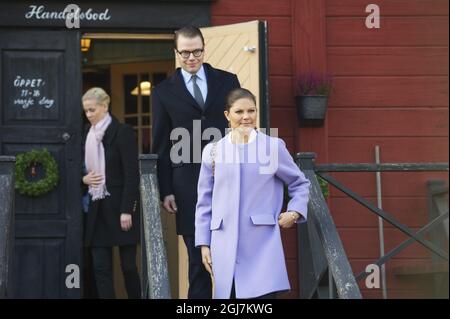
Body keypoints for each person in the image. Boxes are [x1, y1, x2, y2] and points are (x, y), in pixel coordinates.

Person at [195, 88, 311, 299]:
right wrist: (204, 244)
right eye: (239, 111)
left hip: (262, 246)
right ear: (227, 115)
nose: (246, 117)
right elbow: (204, 201)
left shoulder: (272, 147)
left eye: (251, 110)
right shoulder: (212, 151)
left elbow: (299, 183)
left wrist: (293, 212)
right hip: (223, 245)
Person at [151, 26, 240, 299]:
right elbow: (161, 145)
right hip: (187, 186)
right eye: (186, 52)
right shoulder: (163, 91)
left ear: (204, 48)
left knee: (233, 259)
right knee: (197, 262)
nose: (192, 57)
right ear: (176, 53)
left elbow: (240, 128)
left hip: (229, 180)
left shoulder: (228, 81)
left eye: (197, 51)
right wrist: (165, 189)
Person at [82, 87, 141, 299]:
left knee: (128, 267)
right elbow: (79, 170)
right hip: (97, 210)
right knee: (100, 268)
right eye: (86, 111)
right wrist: (84, 180)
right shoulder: (86, 135)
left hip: (120, 209)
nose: (88, 115)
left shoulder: (122, 132)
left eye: (92, 110)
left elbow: (132, 174)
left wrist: (127, 210)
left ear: (104, 106)